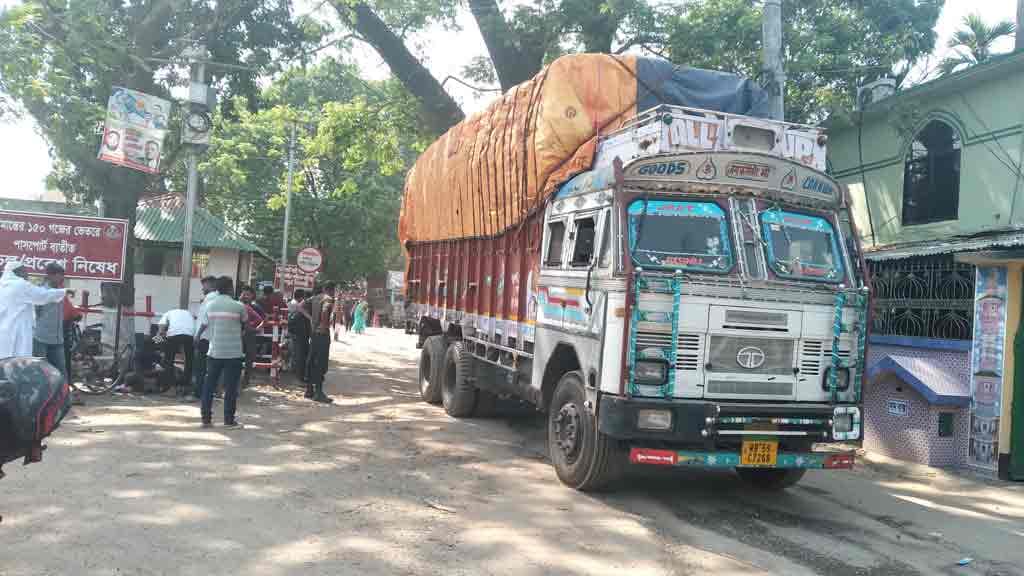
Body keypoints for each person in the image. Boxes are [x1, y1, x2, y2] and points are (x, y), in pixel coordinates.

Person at [196, 276, 245, 428]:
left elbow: (204, 325)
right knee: (230, 387)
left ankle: (206, 419)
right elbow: (245, 323)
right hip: (233, 352)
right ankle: (229, 420)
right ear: (230, 288)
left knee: (209, 385)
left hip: (214, 351)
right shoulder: (238, 306)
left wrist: (197, 336)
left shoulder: (209, 306)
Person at [0, 260, 66, 359]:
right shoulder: (20, 285)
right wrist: (64, 291)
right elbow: (42, 295)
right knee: (19, 363)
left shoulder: (3, 286)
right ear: (16, 272)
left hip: (4, 331)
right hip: (18, 331)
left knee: (5, 363)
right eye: (23, 271)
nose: (26, 274)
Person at [32, 263, 72, 378]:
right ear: (50, 275)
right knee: (41, 373)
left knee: (61, 372)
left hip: (57, 340)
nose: (62, 278)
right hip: (41, 339)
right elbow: (35, 312)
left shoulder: (60, 291)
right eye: (59, 275)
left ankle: (64, 396)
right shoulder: (41, 291)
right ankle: (41, 396)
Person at [305, 281, 335, 403]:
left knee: (311, 359)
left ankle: (309, 390)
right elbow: (325, 310)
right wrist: (323, 325)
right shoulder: (328, 299)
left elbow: (300, 306)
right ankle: (319, 392)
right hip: (322, 334)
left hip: (314, 333)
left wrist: (311, 319)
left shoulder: (314, 297)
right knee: (321, 362)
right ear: (332, 290)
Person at [157, 307, 195, 397]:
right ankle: (186, 388)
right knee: (189, 361)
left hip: (174, 335)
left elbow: (161, 330)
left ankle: (172, 389)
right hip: (190, 335)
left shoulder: (167, 313)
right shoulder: (188, 314)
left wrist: (156, 341)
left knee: (168, 361)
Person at [192, 276, 218, 399]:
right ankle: (206, 392)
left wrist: (197, 335)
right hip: (208, 337)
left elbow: (205, 320)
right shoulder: (210, 299)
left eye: (205, 285)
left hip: (205, 337)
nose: (202, 288)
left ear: (212, 285)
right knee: (207, 367)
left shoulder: (211, 298)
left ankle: (199, 392)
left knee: (201, 367)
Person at [239, 286, 264, 388]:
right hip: (237, 335)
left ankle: (246, 379)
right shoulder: (236, 305)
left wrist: (254, 328)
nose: (245, 296)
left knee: (250, 358)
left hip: (250, 335)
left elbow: (263, 320)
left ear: (252, 296)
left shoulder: (255, 307)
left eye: (247, 294)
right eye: (243, 293)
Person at [287, 289, 310, 381]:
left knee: (296, 352)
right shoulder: (297, 306)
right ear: (301, 297)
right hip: (297, 333)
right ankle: (296, 372)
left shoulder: (293, 304)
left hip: (295, 332)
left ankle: (294, 369)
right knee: (298, 353)